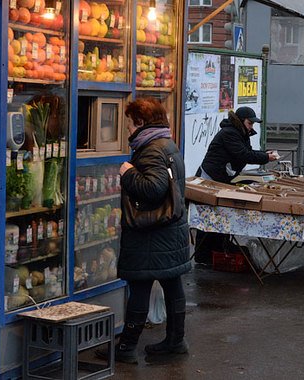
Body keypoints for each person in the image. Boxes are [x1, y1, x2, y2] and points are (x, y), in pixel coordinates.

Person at [96, 97, 191, 364]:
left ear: (140, 122)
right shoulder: (167, 144)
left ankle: (126, 347)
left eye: (128, 123)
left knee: (139, 287)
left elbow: (153, 188)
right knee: (173, 286)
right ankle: (175, 341)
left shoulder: (150, 149)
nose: (127, 129)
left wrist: (127, 173)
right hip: (170, 232)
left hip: (152, 233)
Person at [193, 107, 279, 265]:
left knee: (220, 214)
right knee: (209, 216)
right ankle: (204, 255)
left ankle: (219, 248)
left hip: (221, 178)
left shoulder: (240, 133)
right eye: (249, 123)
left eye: (253, 123)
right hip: (210, 179)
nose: (251, 126)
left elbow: (248, 152)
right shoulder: (230, 133)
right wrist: (266, 157)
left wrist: (265, 153)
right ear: (240, 121)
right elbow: (244, 154)